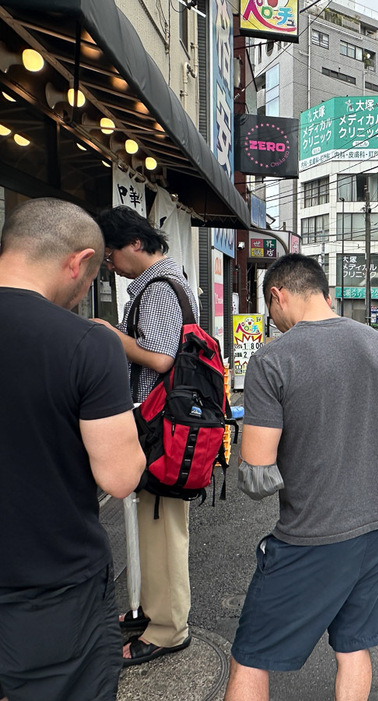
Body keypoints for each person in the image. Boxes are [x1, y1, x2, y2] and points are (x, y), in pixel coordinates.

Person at [225, 254, 378, 701]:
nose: (273, 323)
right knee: (353, 649)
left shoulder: (272, 360)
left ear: (277, 295)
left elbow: (256, 477)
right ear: (324, 293)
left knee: (251, 655)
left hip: (309, 539)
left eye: (271, 312)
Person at [0, 198, 146, 700]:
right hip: (52, 588)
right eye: (91, 281)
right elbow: (120, 476)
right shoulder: (85, 342)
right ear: (79, 261)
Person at [93, 206, 200, 666]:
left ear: (136, 243)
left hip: (160, 426)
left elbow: (160, 359)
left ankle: (168, 629)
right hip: (167, 423)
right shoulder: (171, 280)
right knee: (155, 526)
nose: (110, 263)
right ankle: (149, 611)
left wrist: (108, 335)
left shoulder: (158, 288)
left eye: (112, 252)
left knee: (161, 528)